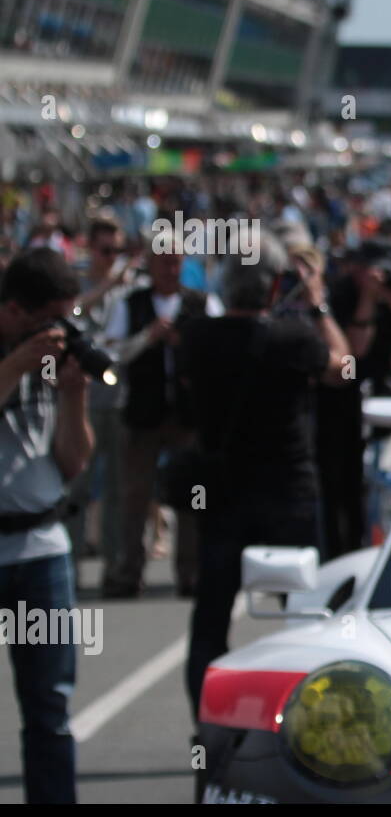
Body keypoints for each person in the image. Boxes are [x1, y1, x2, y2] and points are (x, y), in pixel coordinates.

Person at [179, 236, 350, 717]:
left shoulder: (197, 337)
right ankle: (306, 720)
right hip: (288, 494)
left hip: (221, 494)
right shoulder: (293, 337)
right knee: (305, 617)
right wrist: (318, 306)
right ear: (277, 284)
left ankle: (205, 724)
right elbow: (345, 368)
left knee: (210, 620)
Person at [0, 248, 94, 803]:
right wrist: (16, 363)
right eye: (48, 322)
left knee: (50, 709)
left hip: (40, 551)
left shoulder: (51, 362)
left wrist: (75, 394)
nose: (59, 333)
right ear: (12, 310)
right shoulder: (19, 356)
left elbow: (73, 462)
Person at [102, 246, 218, 598]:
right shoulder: (130, 303)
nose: (170, 269)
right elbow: (110, 353)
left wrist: (186, 343)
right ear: (151, 266)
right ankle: (128, 572)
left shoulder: (202, 304)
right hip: (143, 414)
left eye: (176, 263)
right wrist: (147, 337)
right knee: (134, 496)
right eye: (163, 263)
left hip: (187, 416)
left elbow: (219, 349)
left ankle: (191, 572)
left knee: (193, 497)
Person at [316, 241, 391, 559]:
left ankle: (379, 543)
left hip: (381, 403)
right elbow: (355, 353)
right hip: (342, 401)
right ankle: (345, 550)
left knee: (379, 484)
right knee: (344, 487)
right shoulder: (341, 296)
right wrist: (366, 300)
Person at [66, 218, 137, 575]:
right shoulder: (80, 284)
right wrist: (108, 284)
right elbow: (74, 312)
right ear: (91, 249)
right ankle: (72, 564)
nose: (111, 258)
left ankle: (115, 566)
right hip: (86, 401)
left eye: (116, 251)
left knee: (117, 489)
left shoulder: (130, 287)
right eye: (105, 250)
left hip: (121, 398)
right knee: (77, 486)